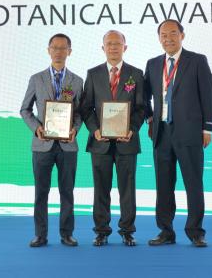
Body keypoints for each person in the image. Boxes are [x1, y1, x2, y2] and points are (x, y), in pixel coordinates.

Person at [143, 19, 212, 247]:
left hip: (190, 131)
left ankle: (195, 231)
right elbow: (144, 96)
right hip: (161, 133)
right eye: (163, 35)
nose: (168, 39)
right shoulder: (153, 64)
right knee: (163, 185)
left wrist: (207, 127)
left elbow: (208, 95)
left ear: (182, 35)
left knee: (193, 182)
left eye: (173, 33)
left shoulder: (197, 61)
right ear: (159, 39)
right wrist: (149, 118)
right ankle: (166, 231)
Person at [80, 30, 144, 247]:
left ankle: (127, 231)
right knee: (101, 189)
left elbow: (142, 108)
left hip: (127, 142)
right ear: (103, 48)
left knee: (128, 190)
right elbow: (86, 108)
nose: (113, 47)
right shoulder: (93, 74)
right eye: (109, 43)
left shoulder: (136, 74)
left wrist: (132, 129)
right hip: (101, 143)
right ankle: (101, 231)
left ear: (125, 47)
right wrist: (94, 130)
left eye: (118, 43)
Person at [20, 33, 84, 247]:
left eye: (63, 48)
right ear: (48, 50)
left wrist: (75, 129)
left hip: (68, 145)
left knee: (67, 192)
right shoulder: (36, 79)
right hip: (42, 144)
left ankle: (67, 234)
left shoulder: (77, 81)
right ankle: (40, 234)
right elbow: (25, 109)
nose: (58, 52)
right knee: (41, 192)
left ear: (69, 51)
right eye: (54, 47)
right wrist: (36, 128)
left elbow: (80, 113)